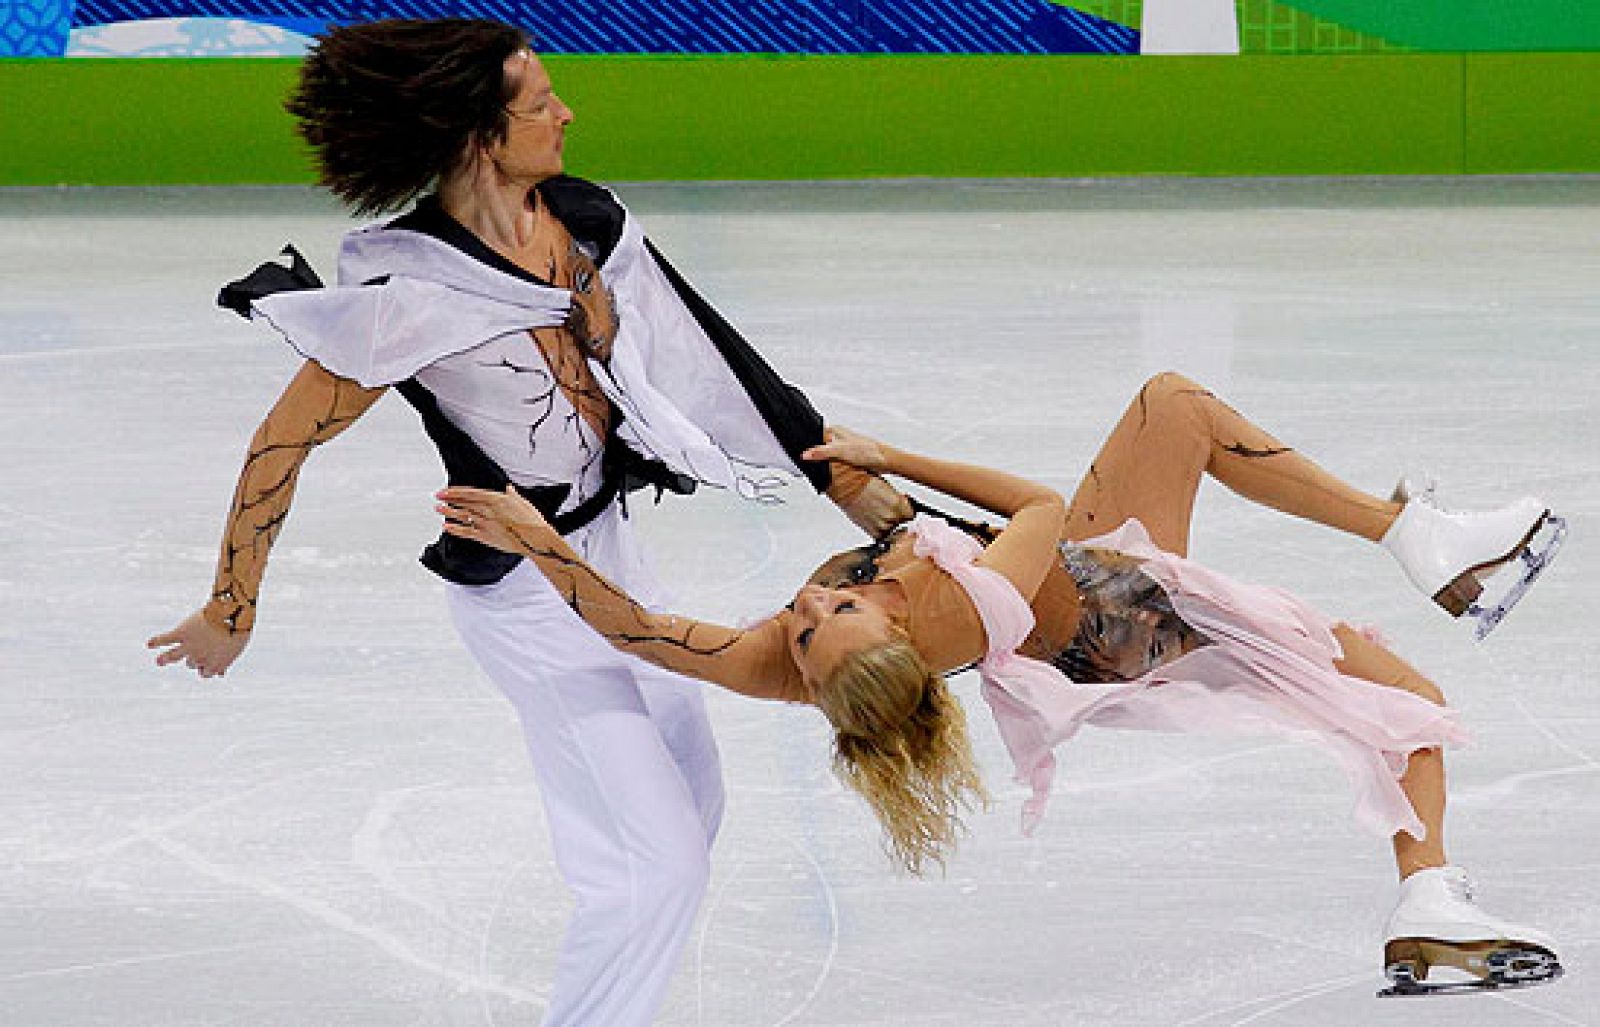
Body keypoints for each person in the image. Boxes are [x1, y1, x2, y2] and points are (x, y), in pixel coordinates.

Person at [144, 19, 905, 1024]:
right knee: (657, 868)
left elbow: (705, 353)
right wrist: (229, 608)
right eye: (540, 104)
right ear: (476, 136)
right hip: (524, 598)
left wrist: (833, 472)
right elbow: (279, 445)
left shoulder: (583, 218)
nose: (565, 114)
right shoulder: (407, 292)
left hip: (612, 549)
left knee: (694, 801)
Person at [437, 371, 1567, 997]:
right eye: (823, 617)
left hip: (1082, 596)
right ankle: (1428, 880)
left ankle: (1428, 872)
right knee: (1393, 699)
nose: (800, 613)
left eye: (812, 618)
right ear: (888, 630)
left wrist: (543, 539)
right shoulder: (942, 609)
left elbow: (643, 632)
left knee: (1181, 417)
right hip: (1136, 604)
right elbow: (1024, 511)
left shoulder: (810, 662)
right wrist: (885, 455)